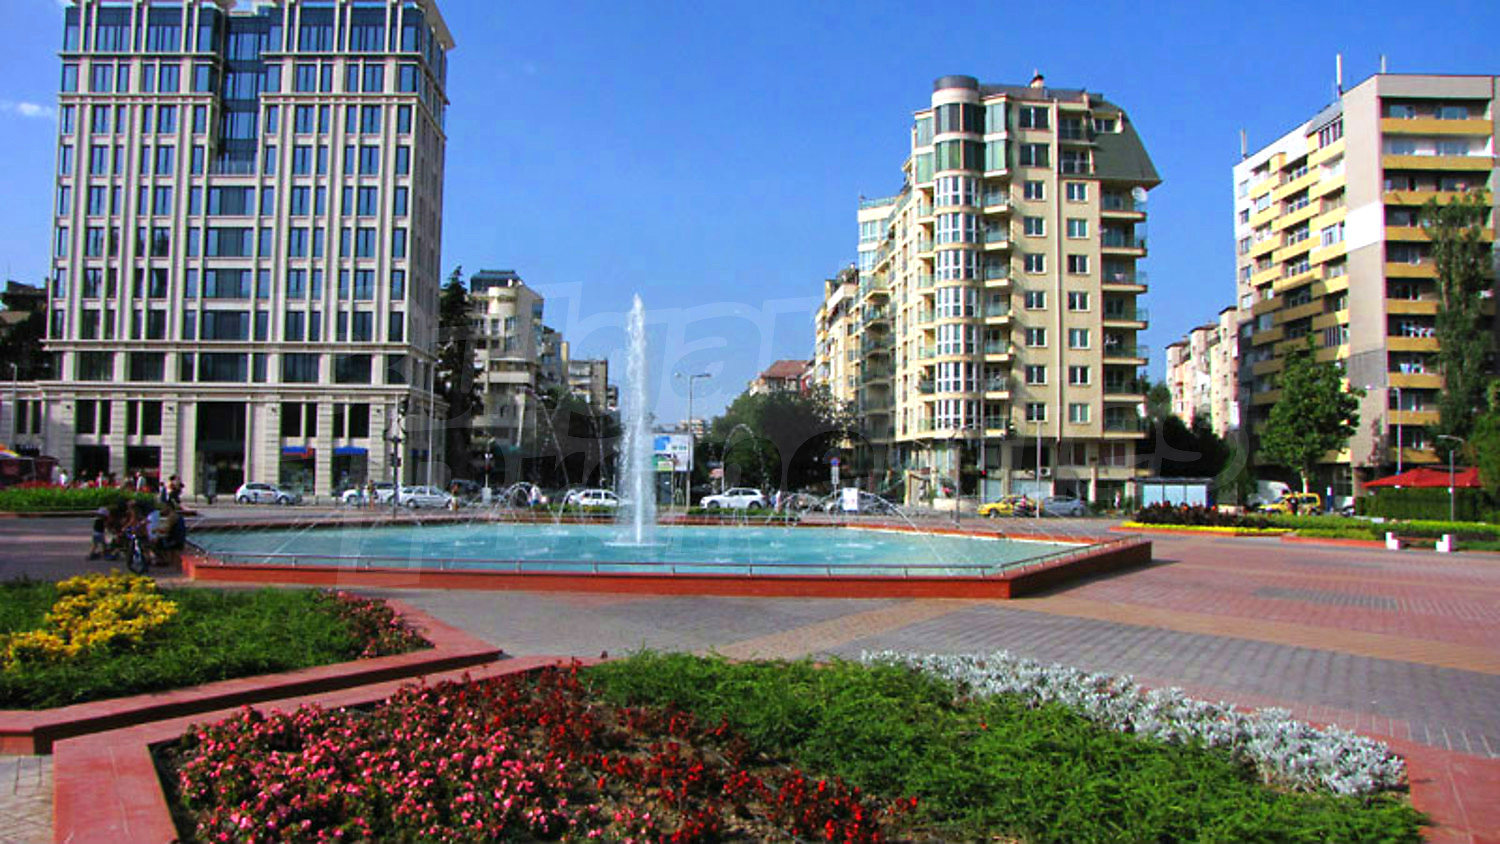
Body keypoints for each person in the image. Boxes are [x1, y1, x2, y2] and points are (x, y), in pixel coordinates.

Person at [152, 502, 187, 568]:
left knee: (156, 543)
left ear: (169, 508)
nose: (162, 510)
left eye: (164, 508)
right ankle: (171, 563)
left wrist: (155, 530)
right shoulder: (177, 515)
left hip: (175, 540)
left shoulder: (172, 517)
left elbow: (166, 530)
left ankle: (166, 561)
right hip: (180, 539)